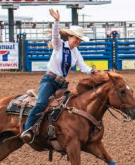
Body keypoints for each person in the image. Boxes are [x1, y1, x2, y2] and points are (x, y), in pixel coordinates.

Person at [21, 9, 97, 143]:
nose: (78, 41)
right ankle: (28, 129)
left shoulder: (76, 52)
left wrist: (94, 71)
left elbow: (83, 67)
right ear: (69, 37)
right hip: (49, 81)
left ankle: (58, 131)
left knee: (68, 106)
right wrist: (56, 21)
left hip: (62, 84)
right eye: (76, 39)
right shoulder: (59, 45)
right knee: (41, 103)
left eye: (80, 40)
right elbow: (55, 35)